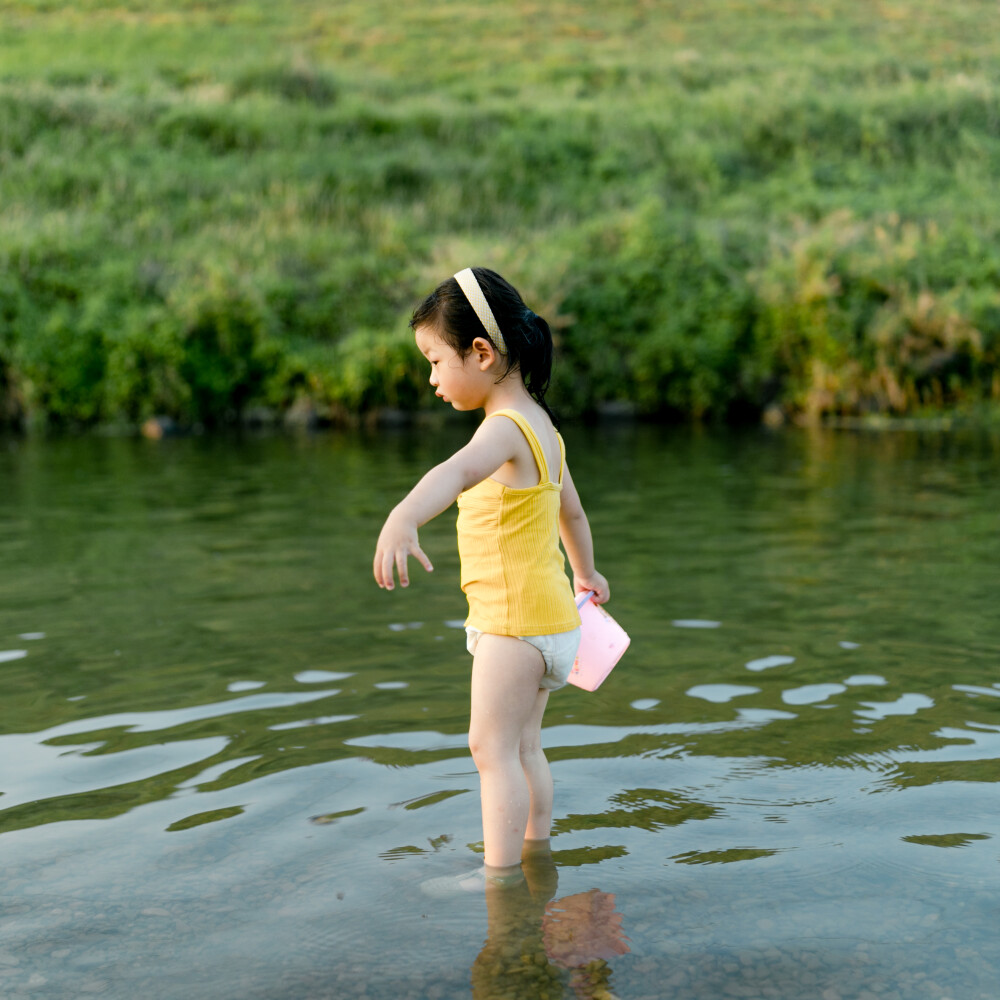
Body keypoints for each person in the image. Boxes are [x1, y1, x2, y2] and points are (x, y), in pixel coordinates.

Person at [373, 267, 609, 887]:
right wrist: (588, 574)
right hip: (553, 620)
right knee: (525, 746)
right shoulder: (546, 431)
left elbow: (449, 476)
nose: (430, 378)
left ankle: (498, 878)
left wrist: (403, 517)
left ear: (481, 353)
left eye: (434, 360)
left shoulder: (503, 430)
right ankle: (537, 854)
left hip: (514, 623)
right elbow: (573, 514)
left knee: (489, 748)